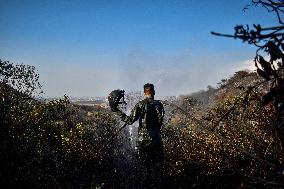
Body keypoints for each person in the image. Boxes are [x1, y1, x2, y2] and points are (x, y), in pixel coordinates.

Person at [116, 83, 165, 187]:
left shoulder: (141, 104)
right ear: (154, 92)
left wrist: (116, 110)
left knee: (144, 169)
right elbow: (160, 123)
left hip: (144, 142)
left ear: (144, 93)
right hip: (157, 141)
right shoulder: (160, 105)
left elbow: (129, 121)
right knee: (159, 169)